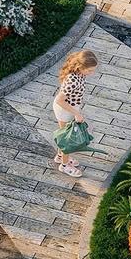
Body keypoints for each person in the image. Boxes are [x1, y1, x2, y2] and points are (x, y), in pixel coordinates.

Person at [51, 49, 99, 178]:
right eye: (89, 70)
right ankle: (65, 165)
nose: (91, 73)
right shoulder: (72, 80)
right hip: (65, 111)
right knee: (68, 140)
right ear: (80, 67)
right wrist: (76, 113)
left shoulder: (80, 74)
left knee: (65, 136)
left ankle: (60, 156)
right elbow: (60, 100)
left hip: (71, 109)